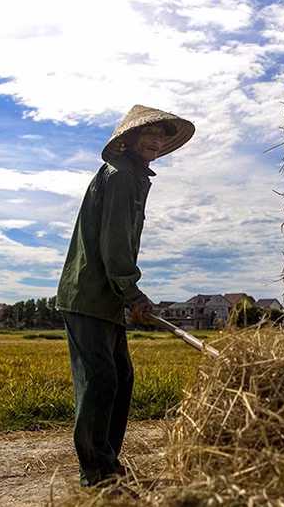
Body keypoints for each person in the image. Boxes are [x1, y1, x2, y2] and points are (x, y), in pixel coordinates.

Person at [56, 105, 195, 488]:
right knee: (100, 379)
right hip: (89, 295)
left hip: (108, 297)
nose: (156, 140)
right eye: (148, 133)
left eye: (162, 135)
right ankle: (96, 473)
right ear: (127, 139)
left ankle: (107, 462)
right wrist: (133, 294)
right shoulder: (118, 177)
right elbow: (115, 243)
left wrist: (126, 296)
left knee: (121, 378)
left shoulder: (135, 178)